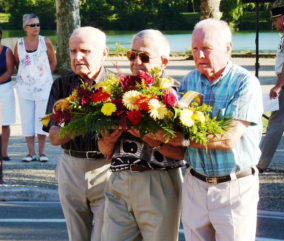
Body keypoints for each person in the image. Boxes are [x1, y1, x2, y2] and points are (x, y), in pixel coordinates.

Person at [151, 19, 262, 241]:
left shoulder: (245, 83)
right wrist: (154, 137)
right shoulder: (189, 80)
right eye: (195, 49)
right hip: (195, 184)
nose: (199, 55)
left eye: (206, 49)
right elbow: (173, 132)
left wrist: (180, 140)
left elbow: (228, 139)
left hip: (234, 187)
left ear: (228, 48)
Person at [98, 29, 186, 241]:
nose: (136, 61)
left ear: (164, 61)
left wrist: (147, 137)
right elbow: (103, 150)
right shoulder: (117, 93)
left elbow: (182, 151)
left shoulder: (174, 97)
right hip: (119, 180)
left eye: (144, 56)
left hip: (158, 182)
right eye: (132, 55)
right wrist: (108, 141)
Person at [43, 26, 110, 241]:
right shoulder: (62, 85)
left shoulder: (117, 87)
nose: (78, 57)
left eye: (85, 51)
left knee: (103, 236)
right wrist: (84, 121)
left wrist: (71, 124)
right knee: (77, 237)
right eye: (73, 51)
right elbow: (54, 137)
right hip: (71, 168)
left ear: (104, 53)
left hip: (107, 169)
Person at [257, 1, 284, 175]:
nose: (274, 24)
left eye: (275, 20)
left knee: (276, 121)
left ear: (283, 19)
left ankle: (259, 164)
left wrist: (278, 86)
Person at [14, 14, 56, 162]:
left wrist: (44, 77)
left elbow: (53, 61)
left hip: (43, 88)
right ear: (25, 28)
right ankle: (30, 153)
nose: (36, 27)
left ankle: (42, 153)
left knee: (42, 119)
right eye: (32, 25)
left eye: (38, 24)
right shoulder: (19, 44)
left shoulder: (45, 42)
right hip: (24, 88)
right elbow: (19, 64)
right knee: (27, 120)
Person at [0, 27, 15, 161]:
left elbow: (10, 71)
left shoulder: (6, 51)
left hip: (5, 88)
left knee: (5, 122)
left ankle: (4, 153)